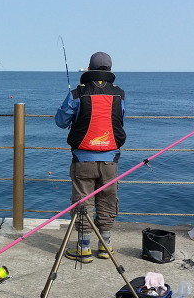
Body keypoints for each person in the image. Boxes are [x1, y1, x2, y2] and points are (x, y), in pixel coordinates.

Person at [55, 51, 126, 263]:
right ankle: (105, 246)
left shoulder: (77, 94)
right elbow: (120, 118)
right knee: (107, 201)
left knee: (82, 203)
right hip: (110, 159)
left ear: (89, 68)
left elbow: (61, 121)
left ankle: (84, 248)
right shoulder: (119, 94)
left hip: (83, 159)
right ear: (110, 69)